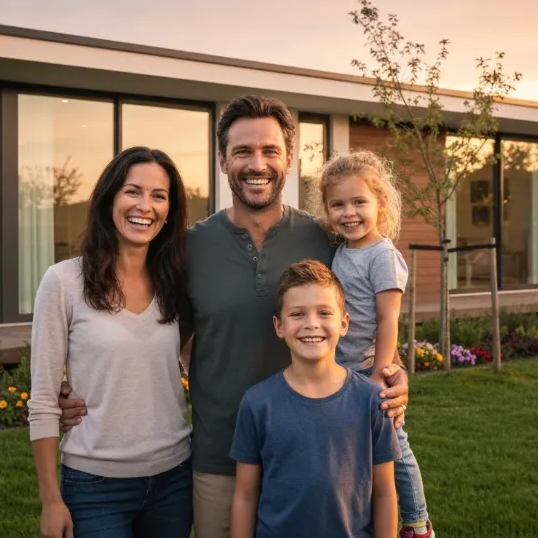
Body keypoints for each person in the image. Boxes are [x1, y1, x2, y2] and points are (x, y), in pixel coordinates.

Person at [56, 95, 411, 538]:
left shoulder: (328, 240)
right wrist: (74, 389)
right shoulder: (188, 248)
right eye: (243, 151)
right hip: (219, 461)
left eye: (269, 151)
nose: (256, 164)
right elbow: (147, 334)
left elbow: (366, 314)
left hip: (318, 460)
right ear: (223, 159)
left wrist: (390, 371)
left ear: (288, 159)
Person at [27, 146, 194, 538]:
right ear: (109, 198)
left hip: (174, 479)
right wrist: (51, 500)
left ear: (169, 210)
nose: (145, 206)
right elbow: (44, 398)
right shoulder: (63, 282)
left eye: (158, 195)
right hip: (94, 486)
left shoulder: (176, 282)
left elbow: (195, 361)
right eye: (132, 191)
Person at [230, 259, 399, 538]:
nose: (312, 324)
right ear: (279, 326)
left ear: (344, 323)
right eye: (297, 314)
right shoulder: (257, 404)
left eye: (324, 313)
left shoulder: (371, 400)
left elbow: (384, 493)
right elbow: (245, 495)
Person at [315, 150, 435, 537]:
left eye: (359, 202)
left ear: (380, 203)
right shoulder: (341, 250)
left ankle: (417, 522)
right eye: (338, 205)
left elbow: (388, 320)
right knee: (356, 454)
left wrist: (380, 374)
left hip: (369, 370)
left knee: (394, 448)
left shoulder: (383, 255)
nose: (349, 213)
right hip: (340, 369)